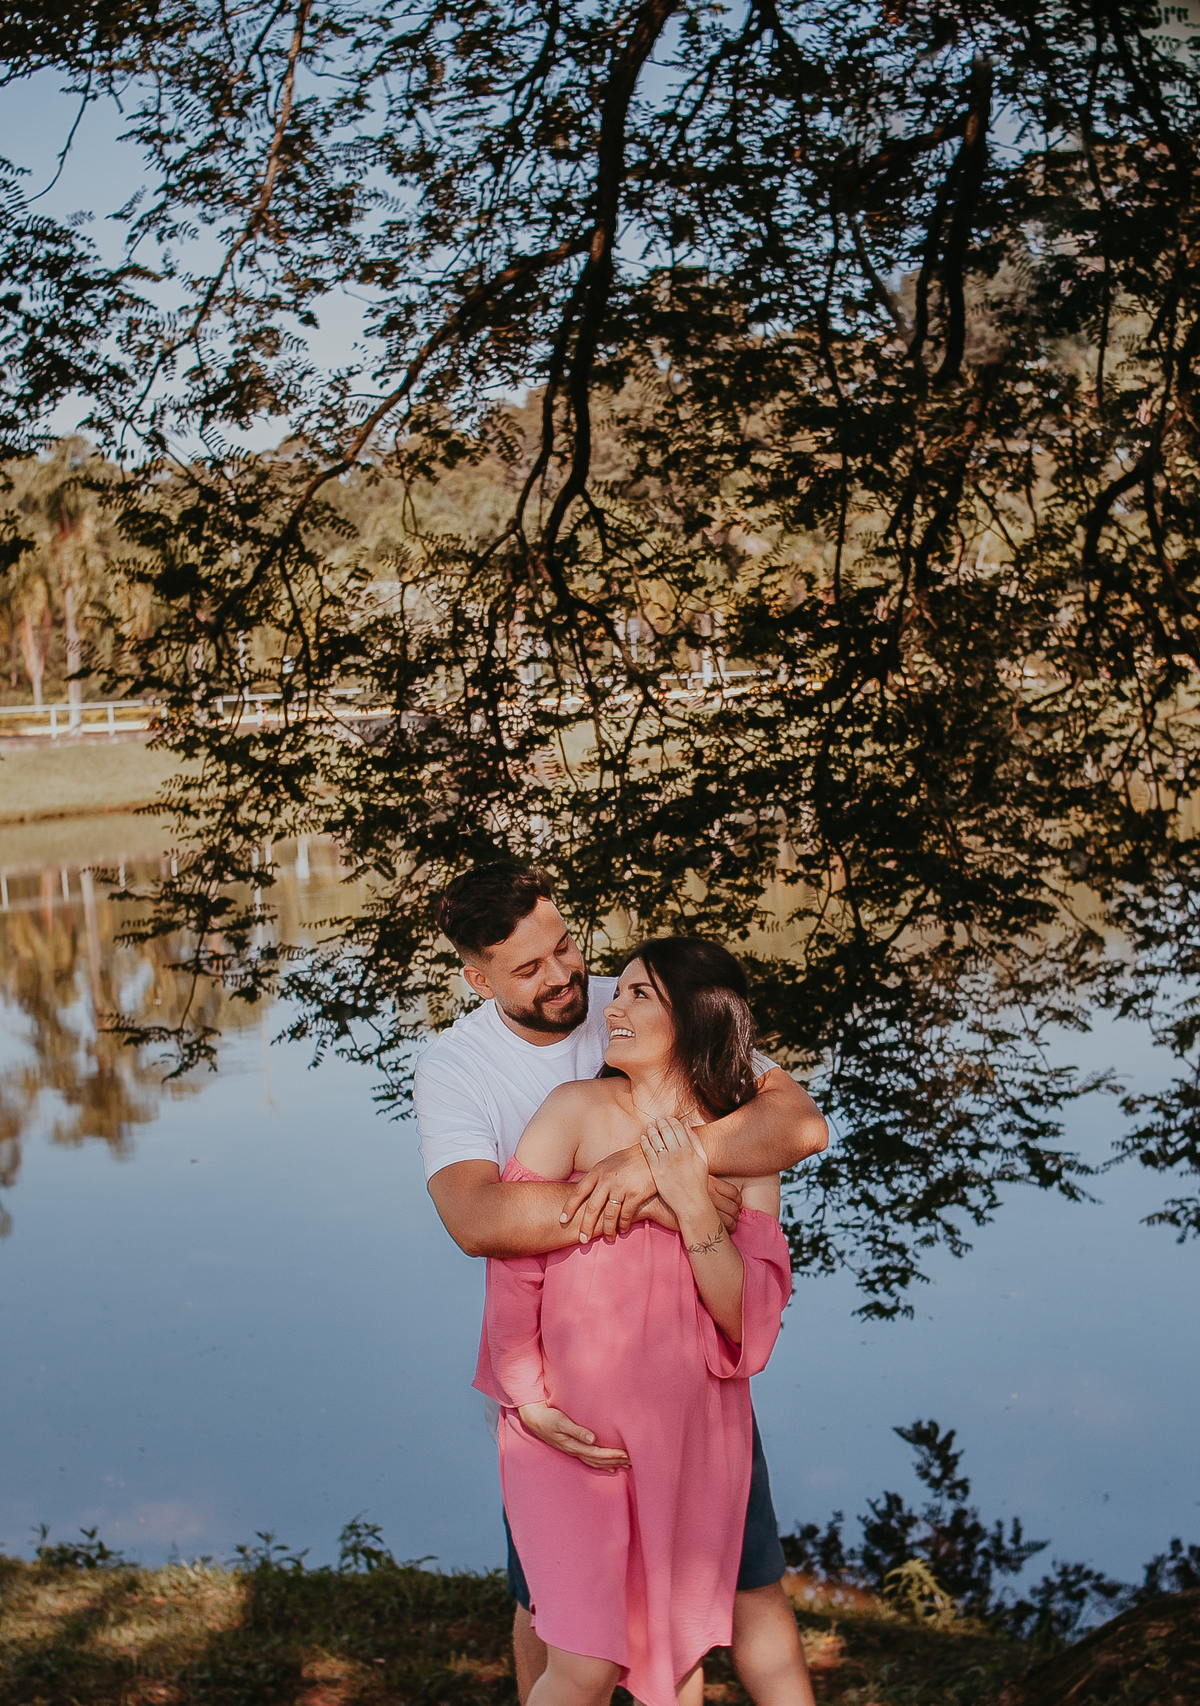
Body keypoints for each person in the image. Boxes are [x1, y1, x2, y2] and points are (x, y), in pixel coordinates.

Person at [413, 864, 828, 1706]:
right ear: (478, 978)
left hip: (690, 1390)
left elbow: (795, 1123)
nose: (567, 976)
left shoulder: (643, 998)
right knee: (560, 1617)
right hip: (569, 1387)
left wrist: (659, 1165)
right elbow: (479, 1222)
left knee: (725, 1600)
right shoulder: (458, 1067)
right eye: (528, 969)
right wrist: (648, 1200)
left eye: (565, 944)